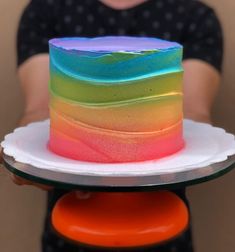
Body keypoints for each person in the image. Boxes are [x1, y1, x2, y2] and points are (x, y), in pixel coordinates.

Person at [2, 0, 223, 251]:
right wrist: (27, 158)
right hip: (71, 226)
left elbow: (194, 113)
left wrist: (185, 159)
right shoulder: (45, 9)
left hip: (162, 227)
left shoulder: (194, 15)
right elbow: (38, 111)